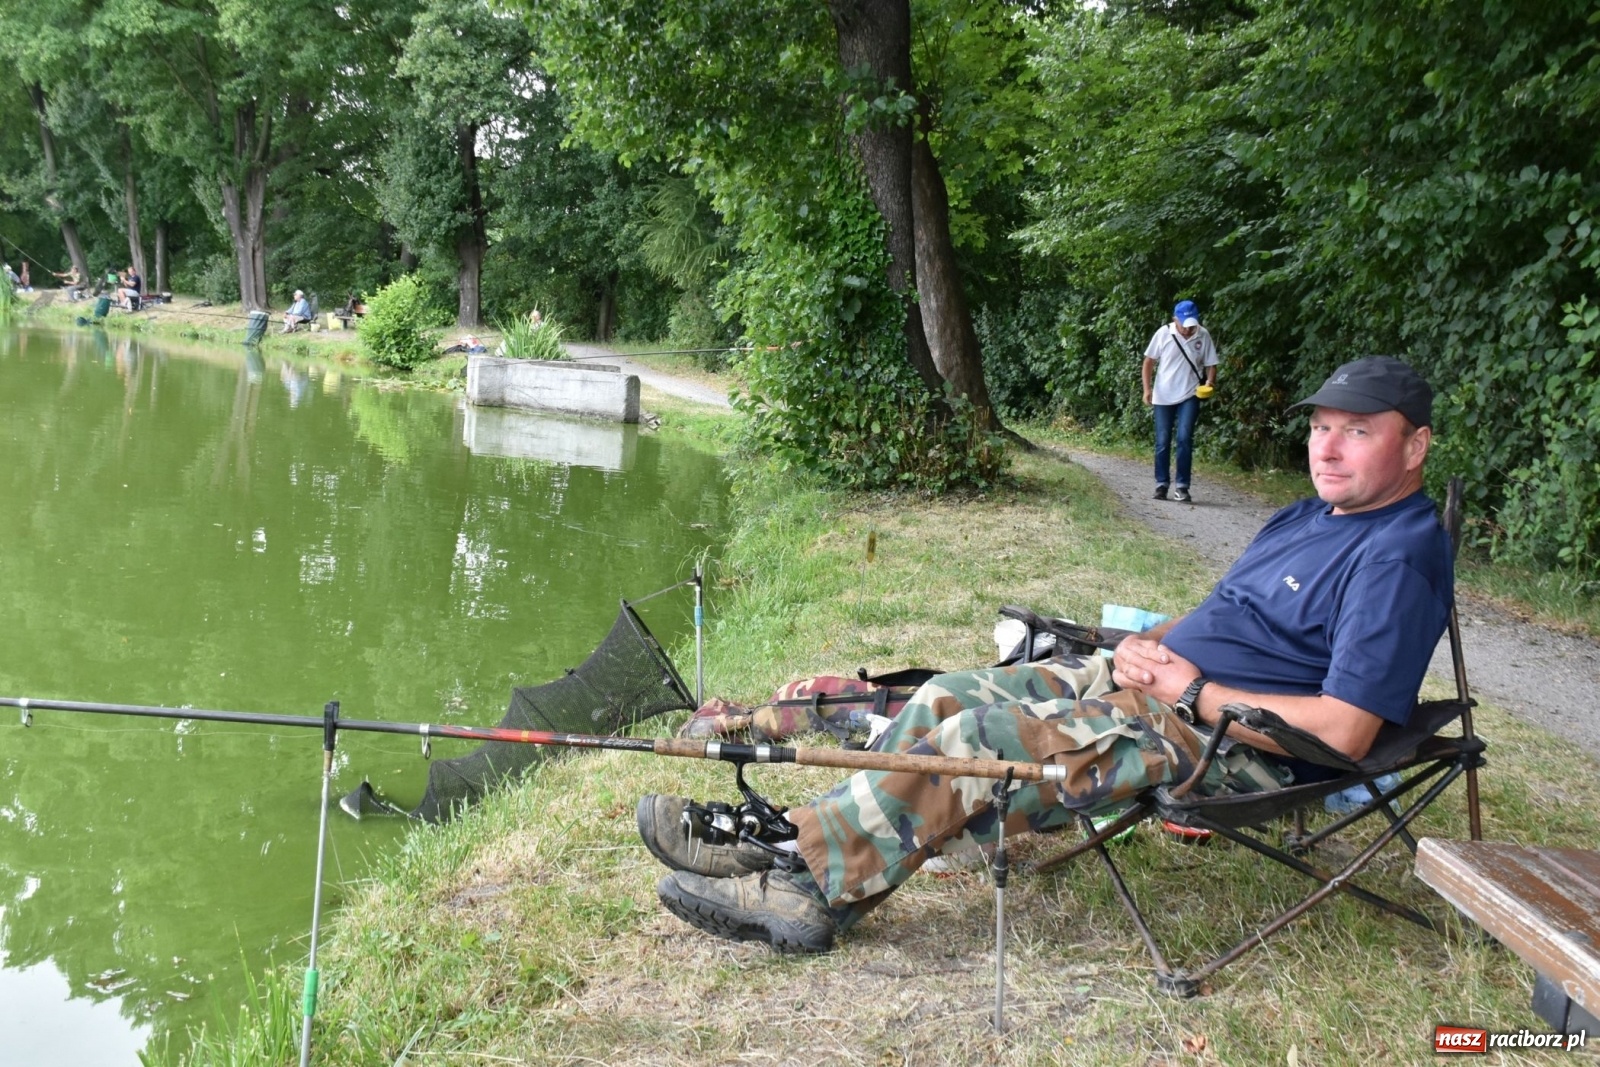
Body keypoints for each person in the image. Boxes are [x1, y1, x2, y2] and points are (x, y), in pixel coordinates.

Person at [639, 356, 1452, 953]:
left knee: (978, 748)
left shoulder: (1399, 553)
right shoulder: (1306, 515)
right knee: (947, 697)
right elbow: (1225, 612)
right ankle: (801, 853)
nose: (1328, 446)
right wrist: (1153, 644)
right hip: (1158, 685)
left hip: (1226, 743)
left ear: (1414, 447)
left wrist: (1191, 684)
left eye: (1356, 431)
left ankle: (795, 869)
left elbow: (1344, 734)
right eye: (1320, 427)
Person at [1142, 299, 1220, 503]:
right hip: (1163, 395)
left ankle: (1182, 486)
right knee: (1162, 441)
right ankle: (1161, 484)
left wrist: (1210, 382)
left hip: (1190, 394)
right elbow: (1149, 361)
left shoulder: (1203, 335)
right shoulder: (1163, 334)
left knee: (1185, 438)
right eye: (1184, 325)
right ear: (1175, 319)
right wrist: (1147, 389)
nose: (1187, 330)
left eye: (1191, 325)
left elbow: (1211, 364)